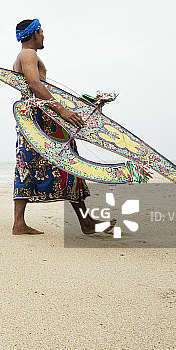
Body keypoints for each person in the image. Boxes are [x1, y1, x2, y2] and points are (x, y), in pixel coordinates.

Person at [12, 19, 113, 235]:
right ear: (34, 33)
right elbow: (34, 84)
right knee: (69, 162)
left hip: (32, 120)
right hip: (43, 120)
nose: (43, 35)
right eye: (41, 31)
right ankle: (86, 222)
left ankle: (19, 223)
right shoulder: (29, 55)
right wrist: (62, 110)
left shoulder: (23, 56)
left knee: (25, 166)